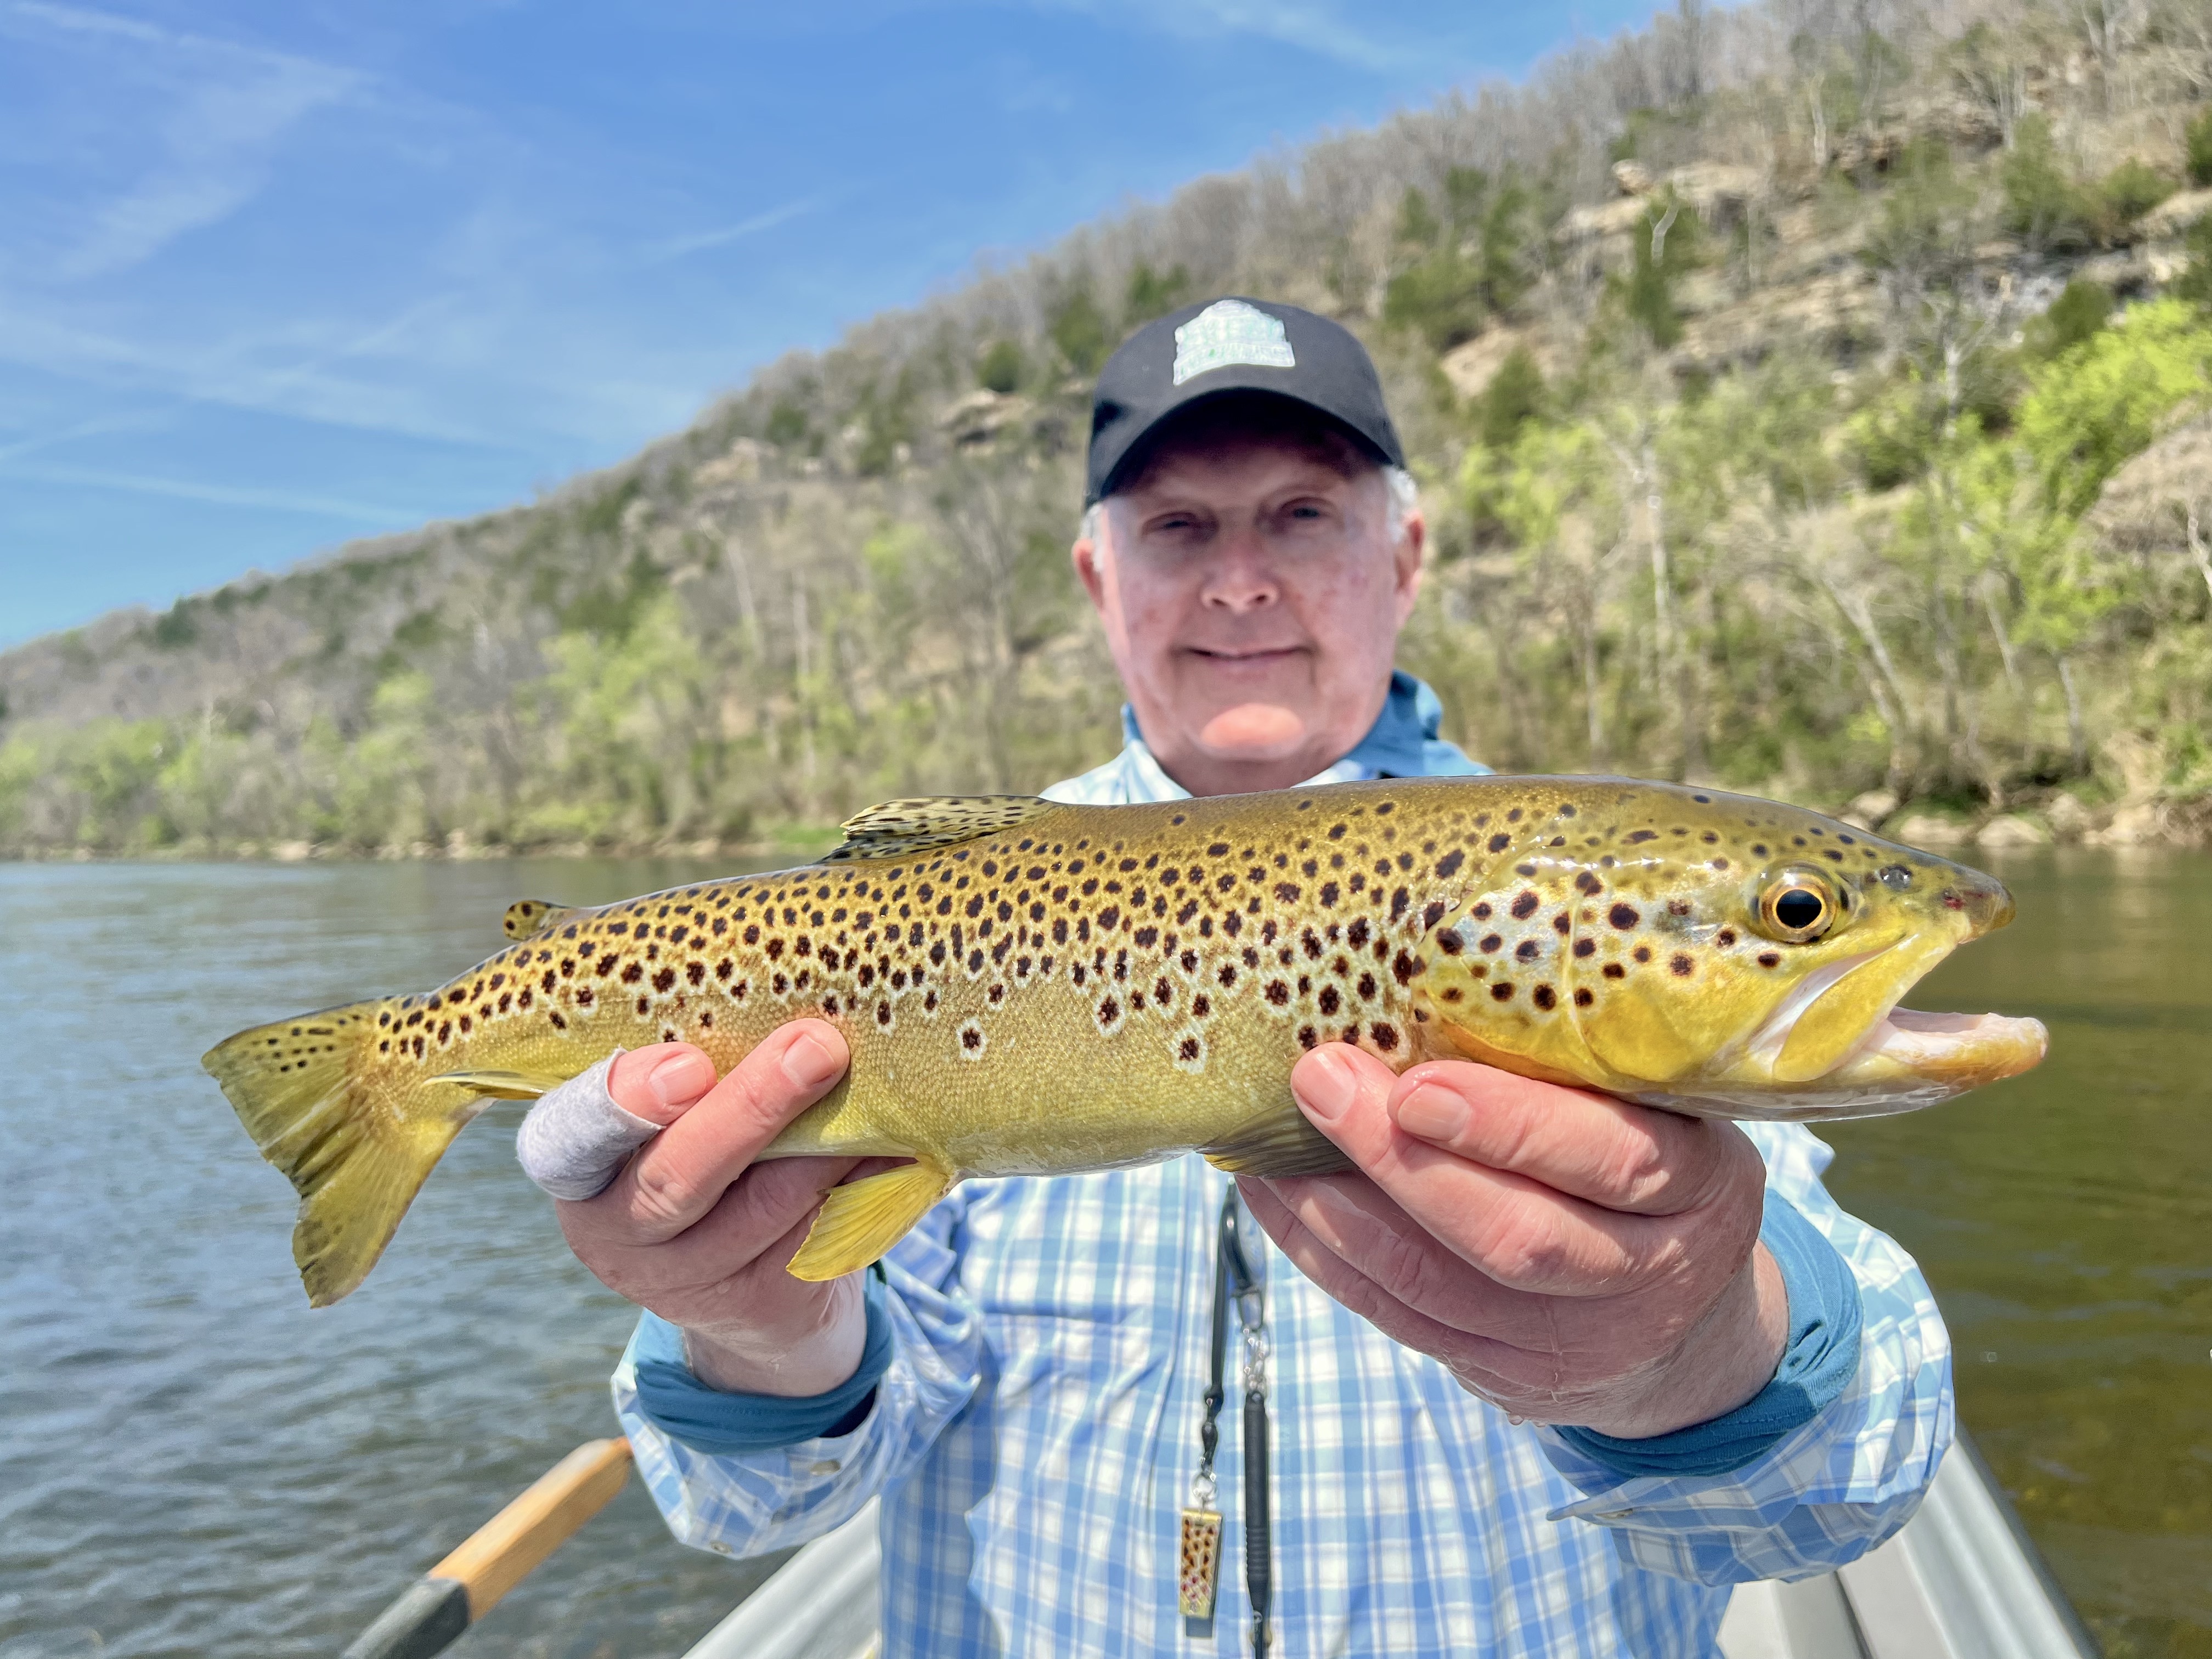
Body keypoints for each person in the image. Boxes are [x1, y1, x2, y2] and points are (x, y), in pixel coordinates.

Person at [537, 298, 1951, 1656]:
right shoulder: (926, 918)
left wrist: (1697, 1347)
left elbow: (1845, 1491)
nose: (1238, 579)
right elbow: (750, 1506)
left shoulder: (1564, 890)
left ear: (1404, 556)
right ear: (1099, 578)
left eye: (1301, 513)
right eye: (1178, 526)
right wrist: (756, 1332)